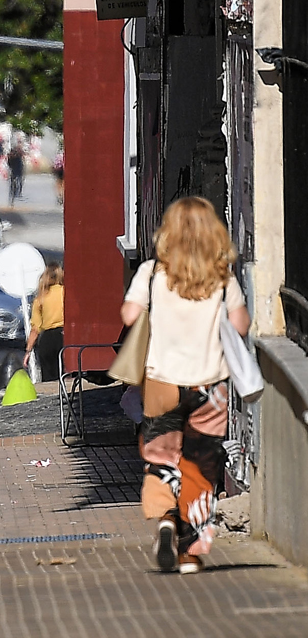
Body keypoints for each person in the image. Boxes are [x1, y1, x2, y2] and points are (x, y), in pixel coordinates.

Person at [119, 196, 250, 575]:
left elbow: (129, 316)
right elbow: (240, 325)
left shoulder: (153, 272)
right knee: (200, 466)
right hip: (210, 386)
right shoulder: (222, 275)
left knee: (162, 457)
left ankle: (164, 517)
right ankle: (190, 551)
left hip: (162, 381)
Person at [24, 262, 64, 382]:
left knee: (48, 377)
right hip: (63, 336)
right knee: (63, 375)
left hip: (46, 339)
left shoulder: (41, 297)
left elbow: (35, 328)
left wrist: (28, 350)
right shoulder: (65, 292)